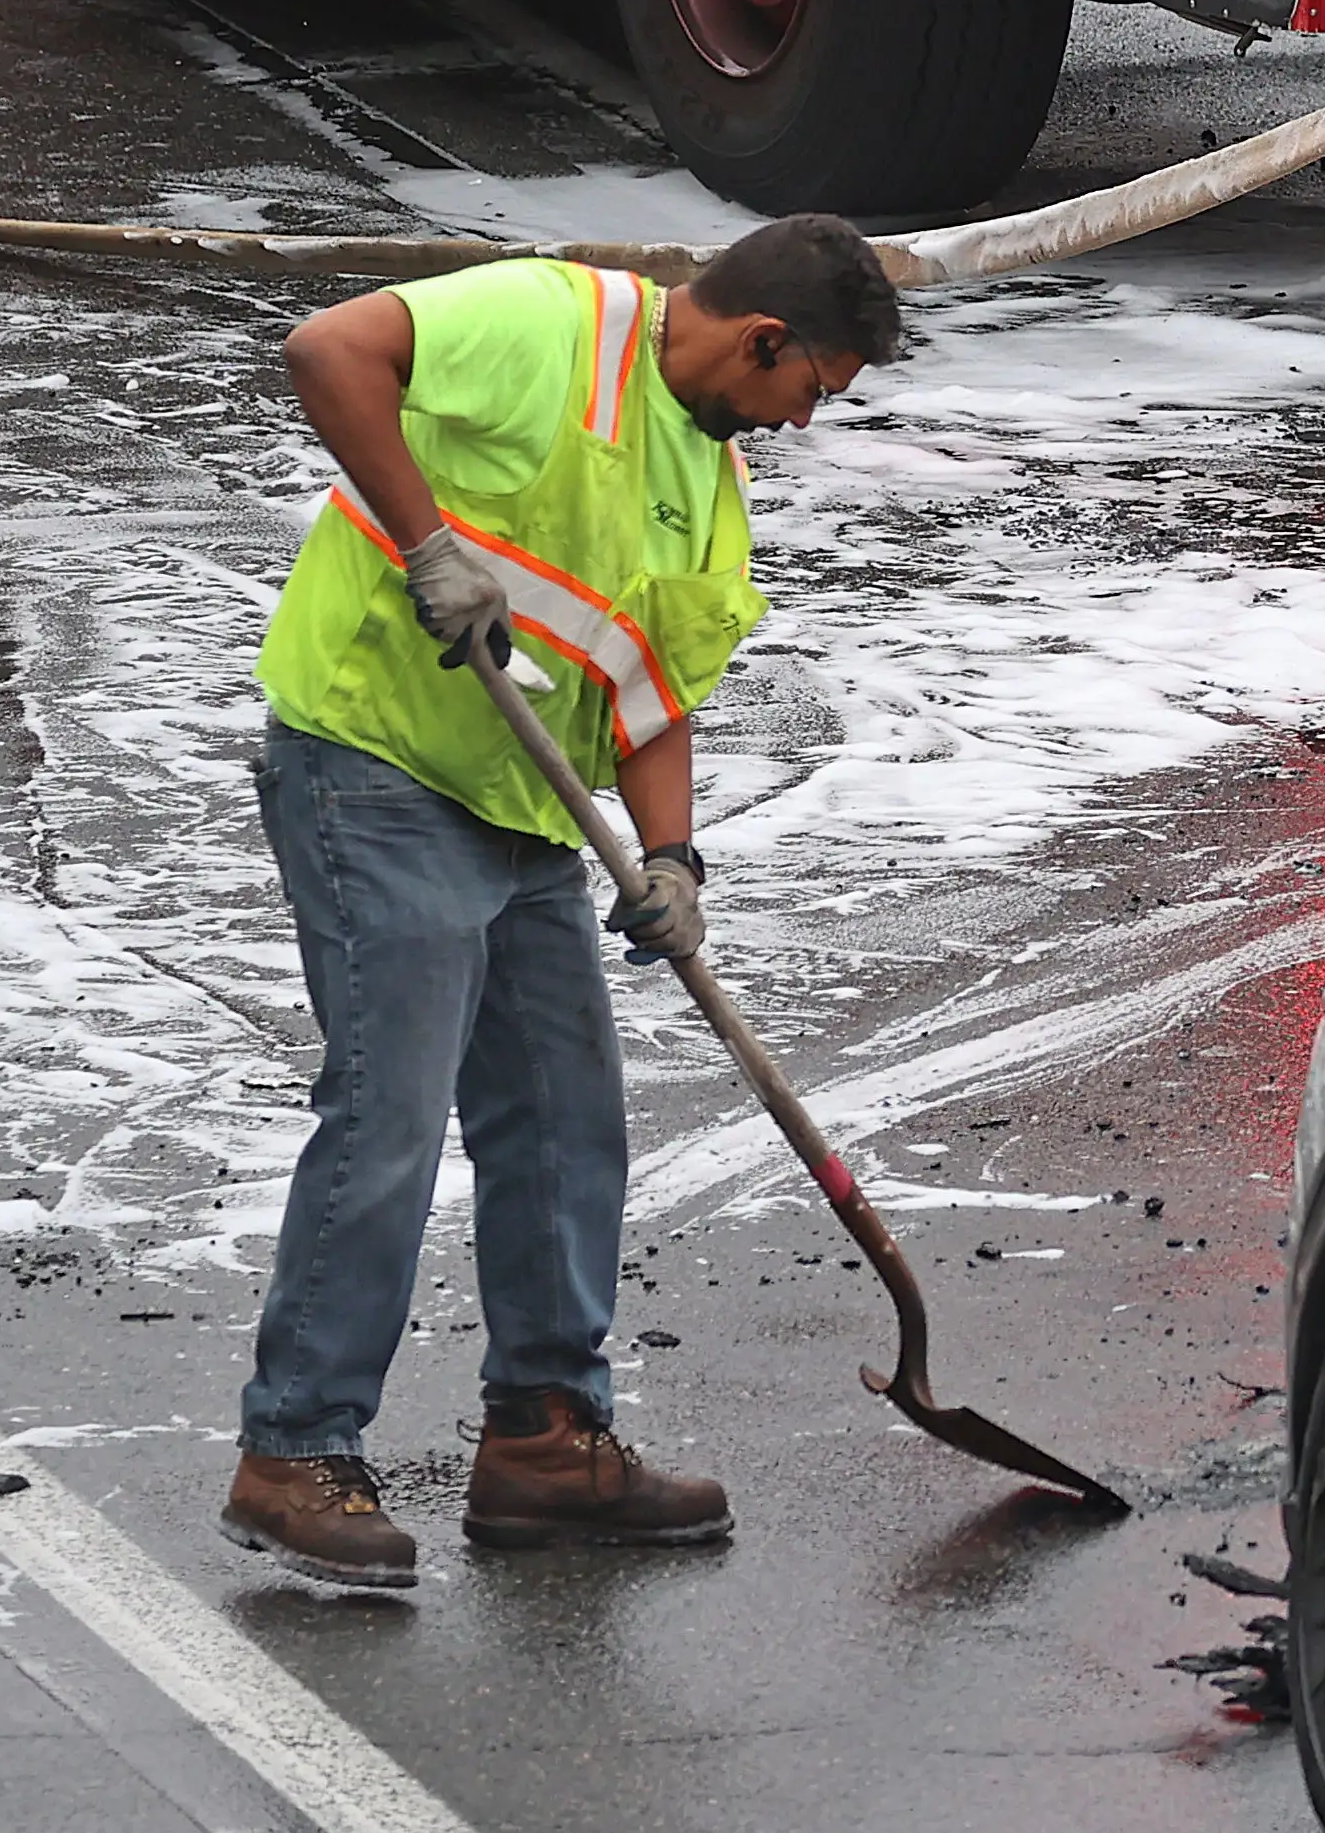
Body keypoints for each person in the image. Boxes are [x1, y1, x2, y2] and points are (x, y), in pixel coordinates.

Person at [224, 217, 904, 1590]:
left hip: (531, 813)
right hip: (378, 760)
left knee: (565, 1114)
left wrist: (674, 861)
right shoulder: (550, 323)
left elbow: (652, 689)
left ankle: (544, 1434)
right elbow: (328, 348)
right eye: (810, 388)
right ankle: (293, 1449)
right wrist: (428, 544)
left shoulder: (708, 476)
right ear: (762, 339)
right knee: (391, 1111)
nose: (798, 420)